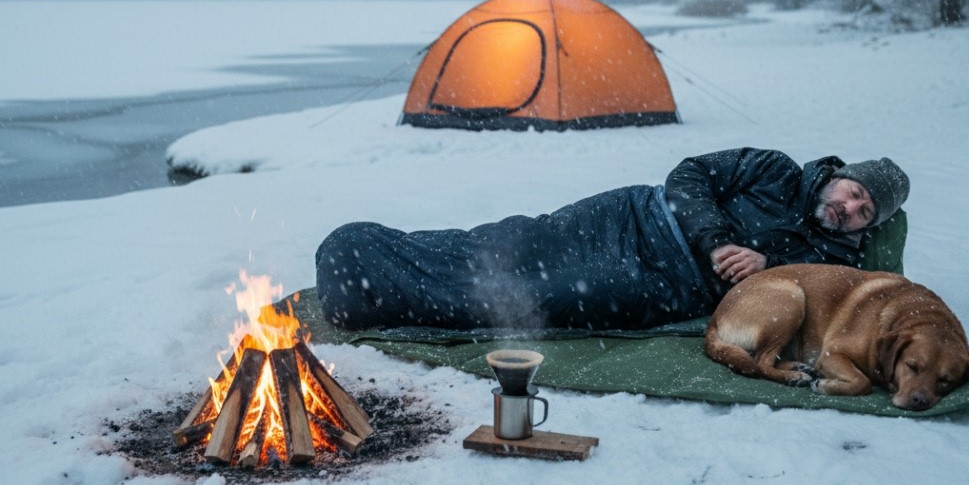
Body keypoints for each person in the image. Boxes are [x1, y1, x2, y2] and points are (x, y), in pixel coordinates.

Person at [315, 147, 909, 332]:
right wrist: (717, 239)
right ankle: (362, 248)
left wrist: (767, 260)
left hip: (662, 285)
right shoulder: (775, 169)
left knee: (534, 294)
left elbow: (801, 306)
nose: (851, 208)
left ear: (867, 225)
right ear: (840, 175)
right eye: (854, 191)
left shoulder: (832, 262)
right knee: (508, 242)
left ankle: (375, 296)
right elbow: (688, 176)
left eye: (865, 212)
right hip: (630, 216)